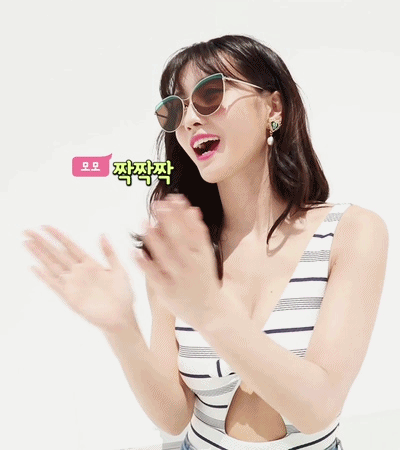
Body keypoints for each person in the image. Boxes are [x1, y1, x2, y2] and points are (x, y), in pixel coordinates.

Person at [23, 34, 388, 450]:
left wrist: (210, 311)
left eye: (211, 94)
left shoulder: (352, 233)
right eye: (175, 110)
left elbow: (318, 407)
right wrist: (121, 328)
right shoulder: (180, 247)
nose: (190, 120)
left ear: (273, 108)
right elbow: (174, 416)